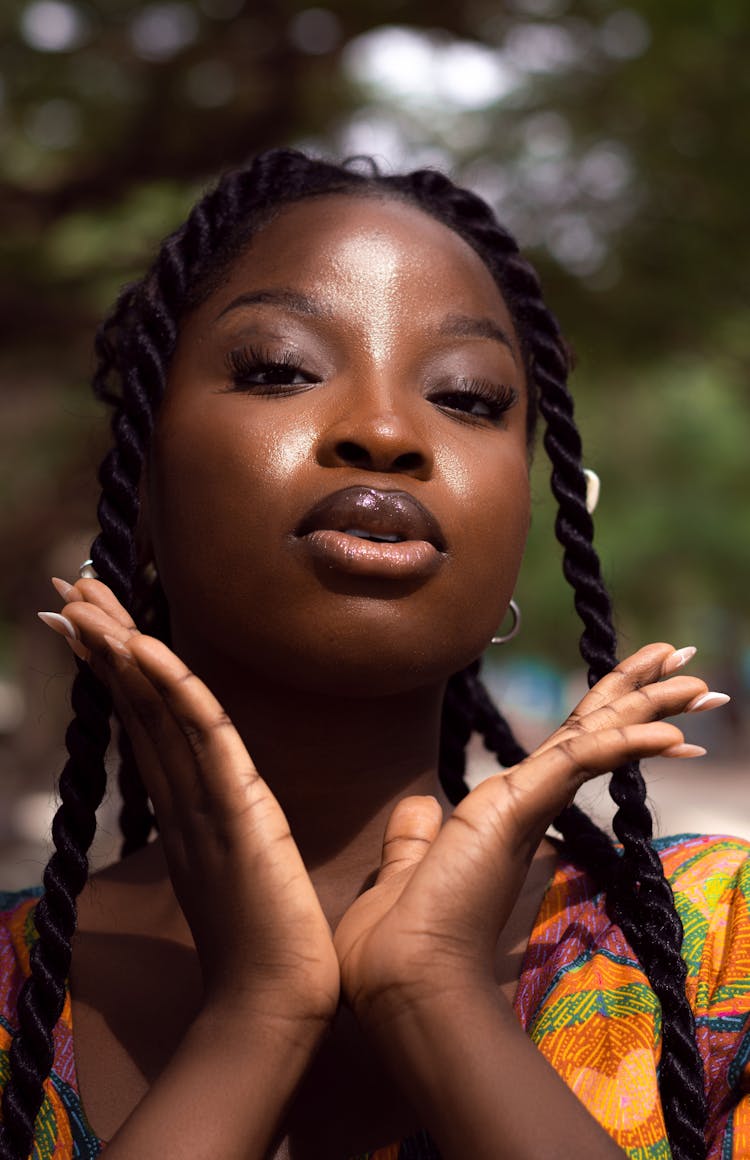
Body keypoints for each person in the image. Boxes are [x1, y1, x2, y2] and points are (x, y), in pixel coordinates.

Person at [0, 149, 746, 1160]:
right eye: (279, 369)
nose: (388, 430)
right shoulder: (16, 995)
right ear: (137, 488)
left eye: (470, 396)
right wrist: (256, 1016)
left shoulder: (721, 949)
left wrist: (435, 992)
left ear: (531, 515)